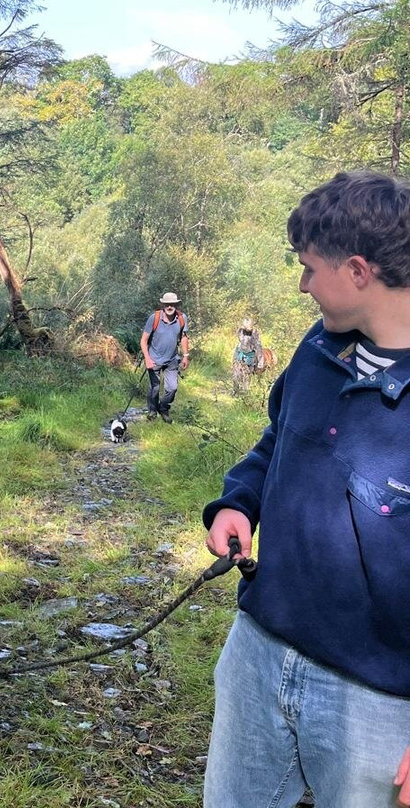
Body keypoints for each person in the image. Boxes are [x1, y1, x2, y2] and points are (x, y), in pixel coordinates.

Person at [202, 171, 410, 808]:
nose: (300, 285)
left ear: (356, 271)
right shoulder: (319, 347)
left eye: (308, 269)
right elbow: (277, 438)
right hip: (260, 650)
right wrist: (240, 501)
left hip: (377, 698)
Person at [139, 291, 190, 423]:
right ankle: (152, 411)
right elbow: (143, 340)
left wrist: (185, 355)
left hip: (172, 360)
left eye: (172, 304)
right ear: (163, 305)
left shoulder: (182, 318)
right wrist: (147, 359)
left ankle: (163, 408)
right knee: (154, 388)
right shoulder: (154, 318)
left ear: (176, 305)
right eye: (167, 304)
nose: (169, 307)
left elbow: (184, 337)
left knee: (172, 388)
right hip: (154, 359)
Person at [230, 317, 264, 395]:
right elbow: (240, 341)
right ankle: (235, 391)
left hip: (250, 357)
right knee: (236, 375)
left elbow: (259, 347)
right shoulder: (240, 331)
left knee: (247, 377)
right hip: (240, 354)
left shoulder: (255, 334)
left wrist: (260, 362)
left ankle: (245, 394)